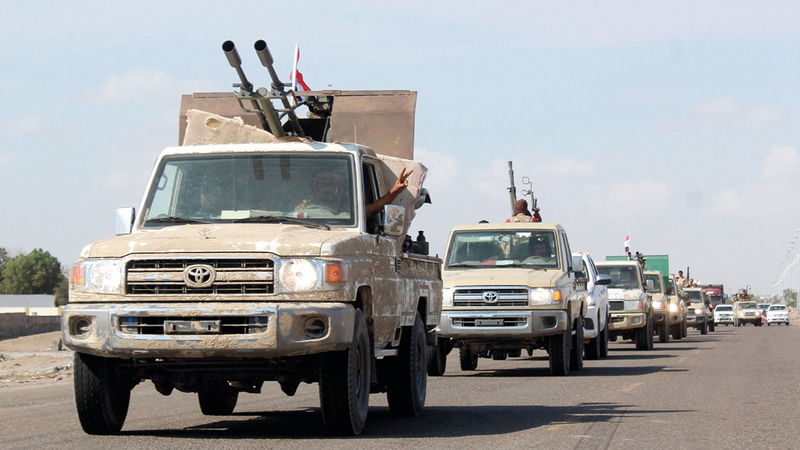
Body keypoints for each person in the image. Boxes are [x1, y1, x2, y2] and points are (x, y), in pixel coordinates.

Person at [296, 167, 412, 220]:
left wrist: (394, 191)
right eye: (323, 184)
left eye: (331, 184)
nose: (327, 189)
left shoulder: (350, 215)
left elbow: (374, 209)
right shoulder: (302, 211)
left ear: (339, 189)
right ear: (315, 189)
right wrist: (298, 213)